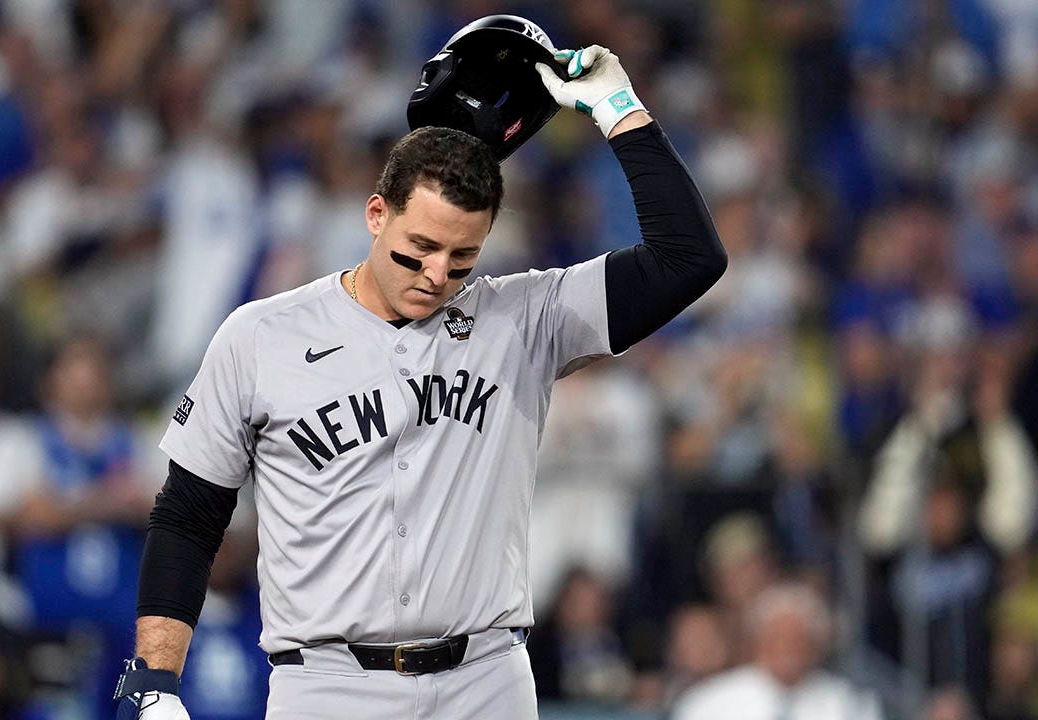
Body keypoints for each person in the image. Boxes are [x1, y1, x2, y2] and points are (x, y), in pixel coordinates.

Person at [116, 44, 727, 720]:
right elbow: (189, 514)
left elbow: (689, 258)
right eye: (420, 249)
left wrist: (619, 110)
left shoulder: (524, 318)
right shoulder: (263, 335)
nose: (437, 274)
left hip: (486, 682)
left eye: (463, 257)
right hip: (328, 685)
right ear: (376, 214)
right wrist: (156, 679)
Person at [672, 583, 883, 720]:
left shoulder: (848, 704)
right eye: (778, 639)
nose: (787, 651)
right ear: (758, 642)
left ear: (815, 647)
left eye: (797, 640)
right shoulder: (710, 703)